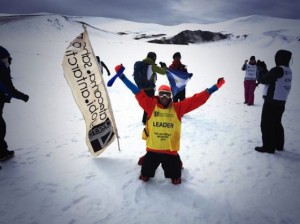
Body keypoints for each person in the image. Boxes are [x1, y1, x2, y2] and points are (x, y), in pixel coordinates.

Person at [114, 64, 225, 184]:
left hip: (170, 151)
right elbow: (136, 91)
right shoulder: (151, 106)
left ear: (171, 96)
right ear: (158, 95)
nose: (164, 97)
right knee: (145, 175)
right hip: (153, 150)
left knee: (176, 179)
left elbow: (196, 100)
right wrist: (123, 77)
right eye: (162, 94)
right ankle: (147, 159)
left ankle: (177, 162)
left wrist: (213, 88)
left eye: (167, 94)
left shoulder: (178, 108)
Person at [255, 49, 292, 154]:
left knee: (266, 124)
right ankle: (279, 145)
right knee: (276, 123)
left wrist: (261, 70)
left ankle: (268, 147)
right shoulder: (287, 70)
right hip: (281, 102)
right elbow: (272, 79)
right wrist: (266, 70)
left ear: (279, 58)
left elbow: (263, 80)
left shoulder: (278, 70)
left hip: (272, 102)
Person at [0, 46, 29, 161]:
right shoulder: (1, 69)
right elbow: (8, 88)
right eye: (6, 60)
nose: (8, 62)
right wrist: (22, 96)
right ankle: (2, 153)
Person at [140, 52, 167, 125]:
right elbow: (163, 72)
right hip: (149, 89)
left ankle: (144, 120)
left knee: (146, 103)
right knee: (149, 104)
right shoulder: (152, 66)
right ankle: (146, 120)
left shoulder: (142, 65)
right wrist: (164, 66)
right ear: (154, 58)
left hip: (142, 88)